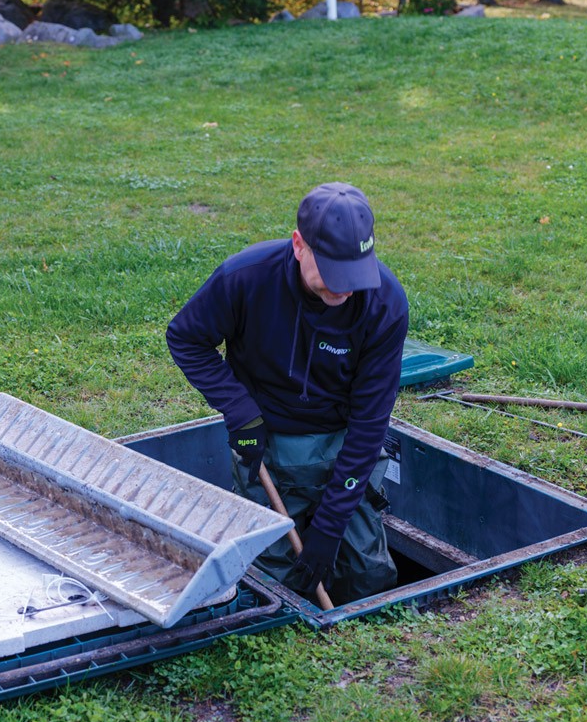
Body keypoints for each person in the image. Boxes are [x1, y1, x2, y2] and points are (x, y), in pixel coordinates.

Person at [166, 182, 408, 604]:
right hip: (268, 443)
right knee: (273, 576)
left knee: (365, 573)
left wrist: (330, 526)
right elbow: (186, 338)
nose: (345, 289)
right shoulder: (246, 278)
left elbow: (371, 422)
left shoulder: (384, 303)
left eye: (355, 274)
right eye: (334, 274)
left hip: (343, 444)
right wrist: (240, 411)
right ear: (300, 245)